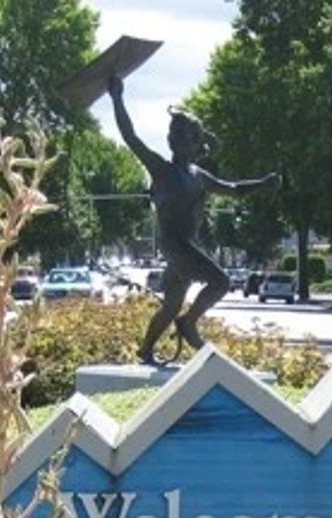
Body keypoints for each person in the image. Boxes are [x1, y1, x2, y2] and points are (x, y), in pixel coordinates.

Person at [107, 74, 281, 365]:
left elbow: (234, 190)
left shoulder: (199, 176)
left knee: (172, 303)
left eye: (182, 134)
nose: (174, 138)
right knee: (221, 282)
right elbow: (131, 137)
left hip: (189, 243)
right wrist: (117, 99)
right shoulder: (161, 169)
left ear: (195, 142)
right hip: (173, 243)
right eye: (172, 134)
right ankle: (188, 324)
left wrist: (263, 183)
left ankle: (146, 348)